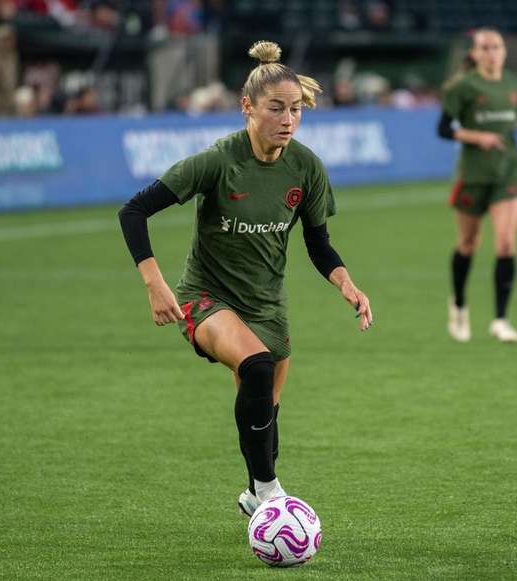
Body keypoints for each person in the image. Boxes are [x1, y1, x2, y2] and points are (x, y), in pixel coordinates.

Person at [118, 41, 373, 516]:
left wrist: (346, 284)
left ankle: (256, 494)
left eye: (296, 109)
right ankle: (272, 494)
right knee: (254, 367)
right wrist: (154, 282)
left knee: (264, 412)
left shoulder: (307, 167)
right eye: (276, 108)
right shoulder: (217, 161)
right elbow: (133, 212)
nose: (288, 119)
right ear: (247, 107)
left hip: (267, 305)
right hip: (206, 298)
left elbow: (318, 244)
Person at [437, 28, 517, 343]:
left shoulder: (515, 83)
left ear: (504, 51)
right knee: (468, 244)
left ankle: (501, 319)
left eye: (497, 46)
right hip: (473, 175)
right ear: (474, 54)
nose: (492, 52)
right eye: (485, 47)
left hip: (507, 173)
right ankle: (459, 304)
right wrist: (479, 137)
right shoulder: (463, 87)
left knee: (505, 243)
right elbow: (443, 129)